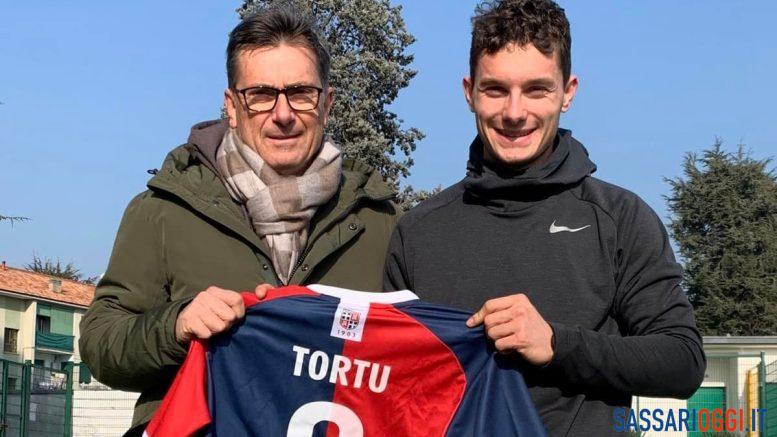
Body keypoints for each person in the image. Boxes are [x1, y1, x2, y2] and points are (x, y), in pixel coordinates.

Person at [383, 0, 705, 435]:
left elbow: (683, 361)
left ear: (568, 92)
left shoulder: (620, 218)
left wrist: (556, 344)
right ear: (469, 92)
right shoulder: (418, 232)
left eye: (537, 89)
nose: (515, 113)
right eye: (495, 89)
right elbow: (390, 383)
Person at [79, 6, 400, 435]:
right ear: (231, 106)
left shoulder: (380, 223)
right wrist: (176, 325)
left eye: (301, 93)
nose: (282, 114)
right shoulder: (164, 210)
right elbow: (100, 345)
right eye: (261, 94)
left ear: (326, 104)